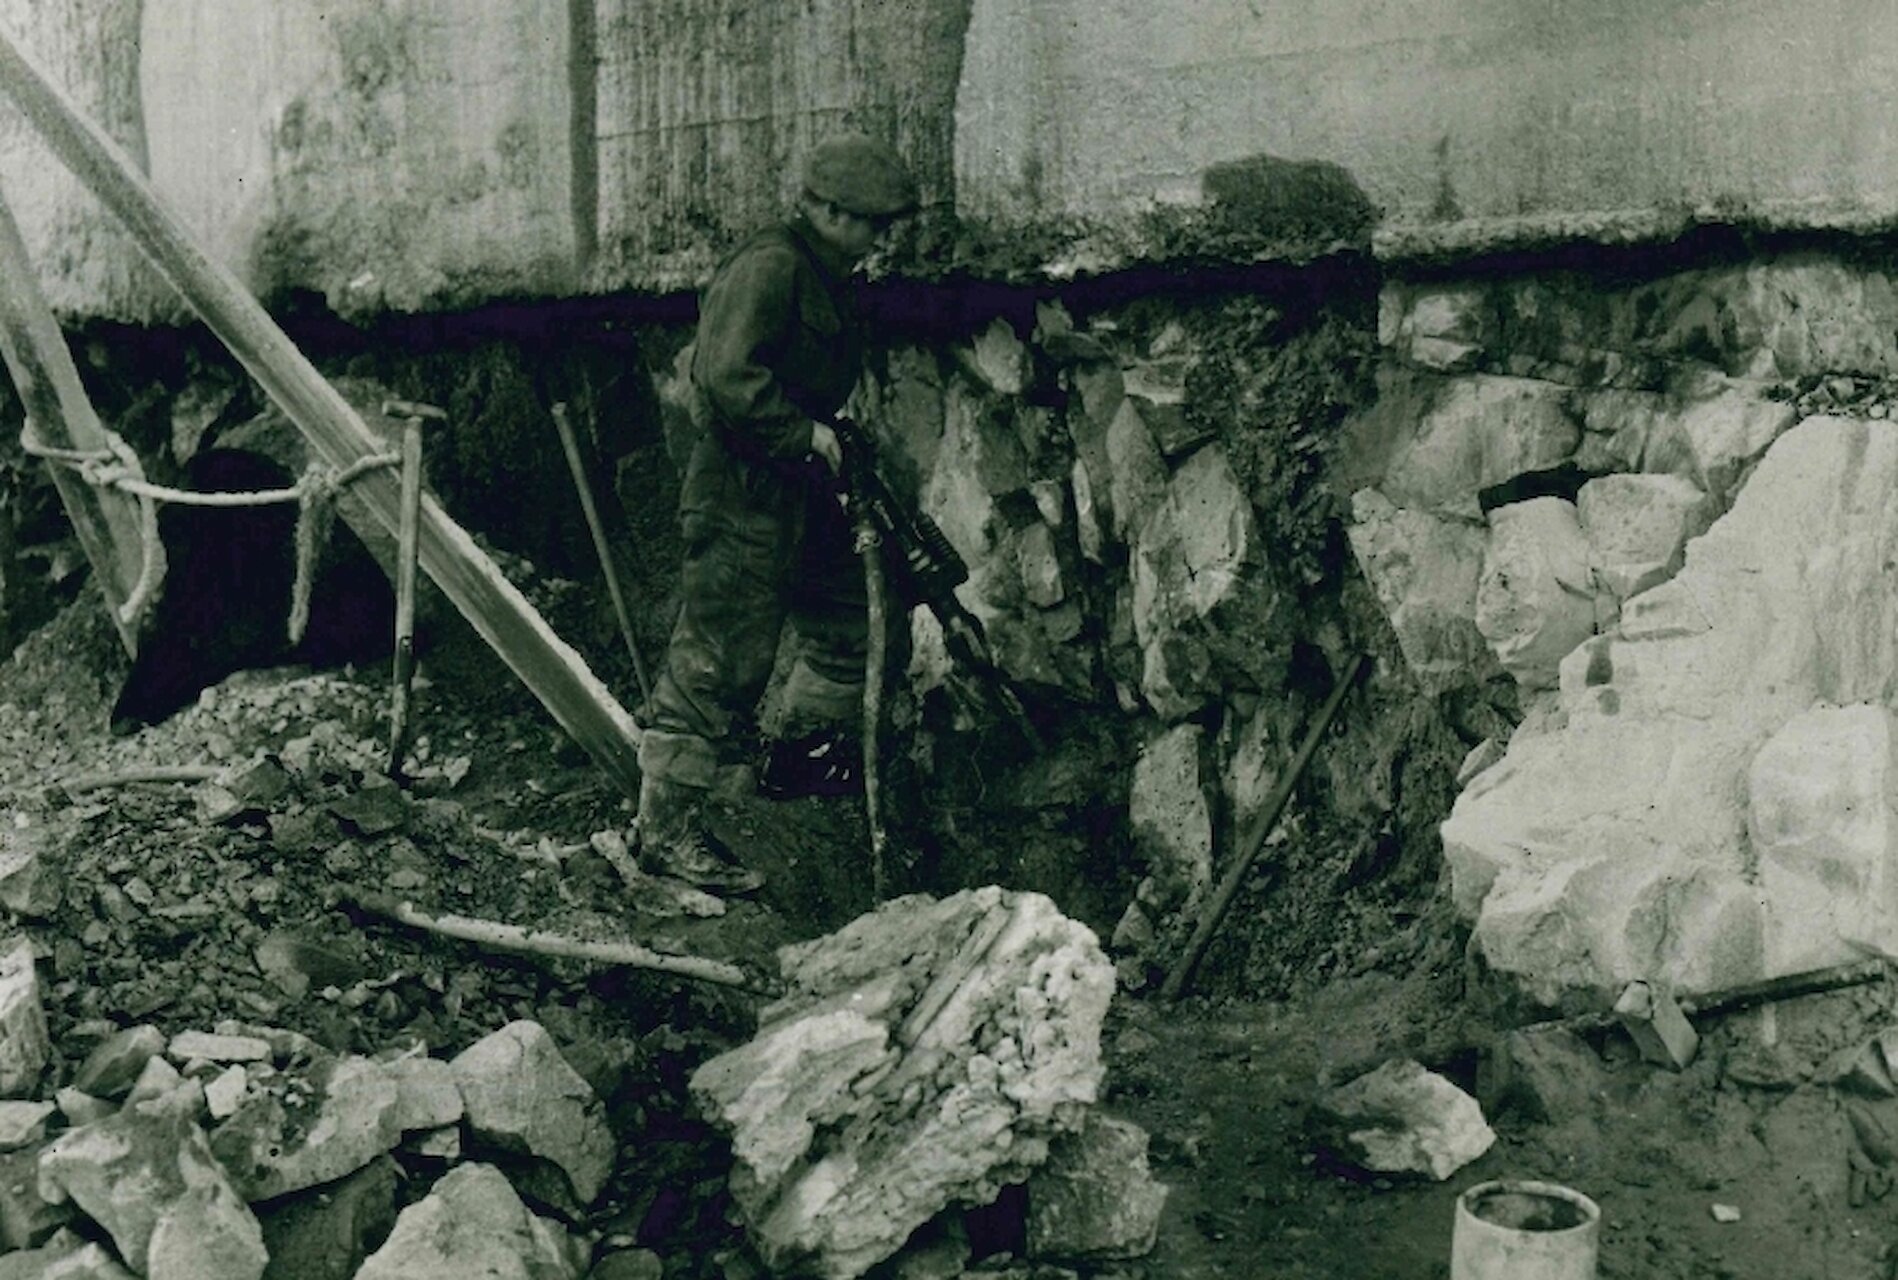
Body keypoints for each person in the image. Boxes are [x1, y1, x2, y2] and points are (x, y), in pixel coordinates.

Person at [634, 132, 918, 892]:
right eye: (867, 223)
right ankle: (664, 831)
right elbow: (725, 378)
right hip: (742, 495)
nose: (876, 241)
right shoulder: (772, 266)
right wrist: (803, 433)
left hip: (799, 492)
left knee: (849, 619)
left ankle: (797, 763)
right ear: (824, 210)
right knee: (721, 656)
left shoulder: (827, 276)